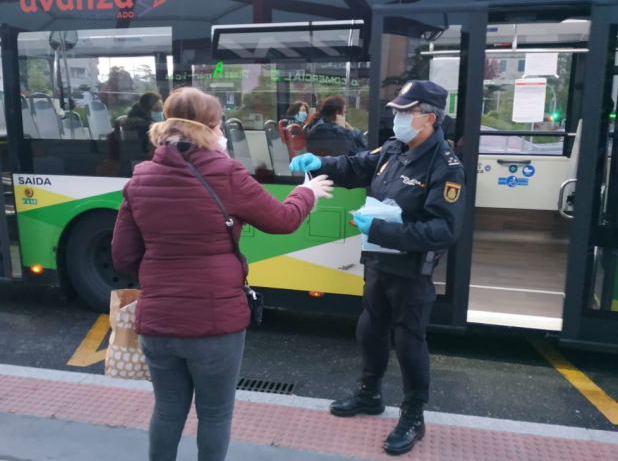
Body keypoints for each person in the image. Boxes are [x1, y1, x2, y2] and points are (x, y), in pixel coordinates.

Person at [111, 87, 333, 461]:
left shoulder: (141, 177)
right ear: (213, 128)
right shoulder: (226, 172)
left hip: (158, 322)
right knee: (214, 414)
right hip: (215, 324)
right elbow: (283, 220)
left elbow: (123, 257)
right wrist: (307, 192)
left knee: (167, 410)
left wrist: (163, 274)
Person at [290, 80, 466, 456]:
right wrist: (320, 162)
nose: (398, 117)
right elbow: (355, 166)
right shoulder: (393, 148)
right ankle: (369, 394)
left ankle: (413, 415)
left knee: (408, 341)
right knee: (370, 329)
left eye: (406, 112)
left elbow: (444, 229)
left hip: (410, 270)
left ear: (429, 118)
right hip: (378, 262)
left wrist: (382, 229)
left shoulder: (446, 167)